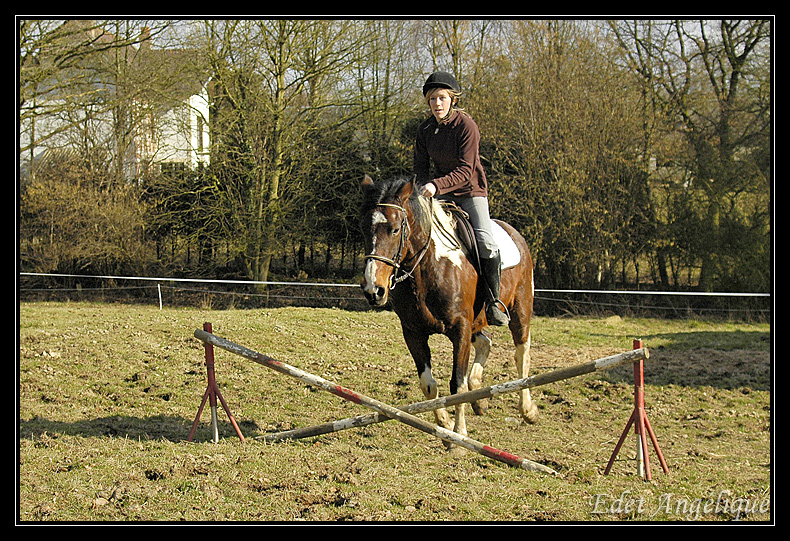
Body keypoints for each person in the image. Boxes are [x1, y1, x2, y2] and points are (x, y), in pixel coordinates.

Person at [414, 71, 509, 326]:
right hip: (438, 193)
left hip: (470, 192)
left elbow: (466, 171)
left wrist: (436, 185)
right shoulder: (424, 130)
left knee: (485, 243)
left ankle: (493, 301)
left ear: (452, 100)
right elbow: (420, 169)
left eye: (442, 98)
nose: (437, 104)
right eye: (432, 99)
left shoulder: (467, 126)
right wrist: (421, 188)